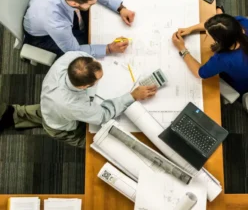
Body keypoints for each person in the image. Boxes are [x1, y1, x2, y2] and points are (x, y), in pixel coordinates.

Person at [0, 52, 157, 148]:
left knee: (41, 112)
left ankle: (12, 115)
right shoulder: (74, 105)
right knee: (94, 141)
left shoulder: (71, 58)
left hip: (49, 104)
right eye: (98, 80)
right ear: (84, 87)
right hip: (60, 126)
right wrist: (132, 96)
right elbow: (102, 115)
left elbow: (88, 55)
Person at [172, 0, 248, 112]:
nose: (207, 35)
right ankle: (219, 10)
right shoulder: (243, 24)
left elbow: (199, 73)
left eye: (209, 35)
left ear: (219, 41)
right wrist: (190, 29)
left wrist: (182, 49)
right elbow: (222, 25)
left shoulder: (223, 59)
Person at [23, 0, 136, 57]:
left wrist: (120, 8)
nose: (94, 5)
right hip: (41, 36)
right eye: (91, 4)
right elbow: (74, 50)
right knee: (84, 44)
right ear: (74, 3)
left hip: (42, 10)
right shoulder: (56, 22)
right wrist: (109, 49)